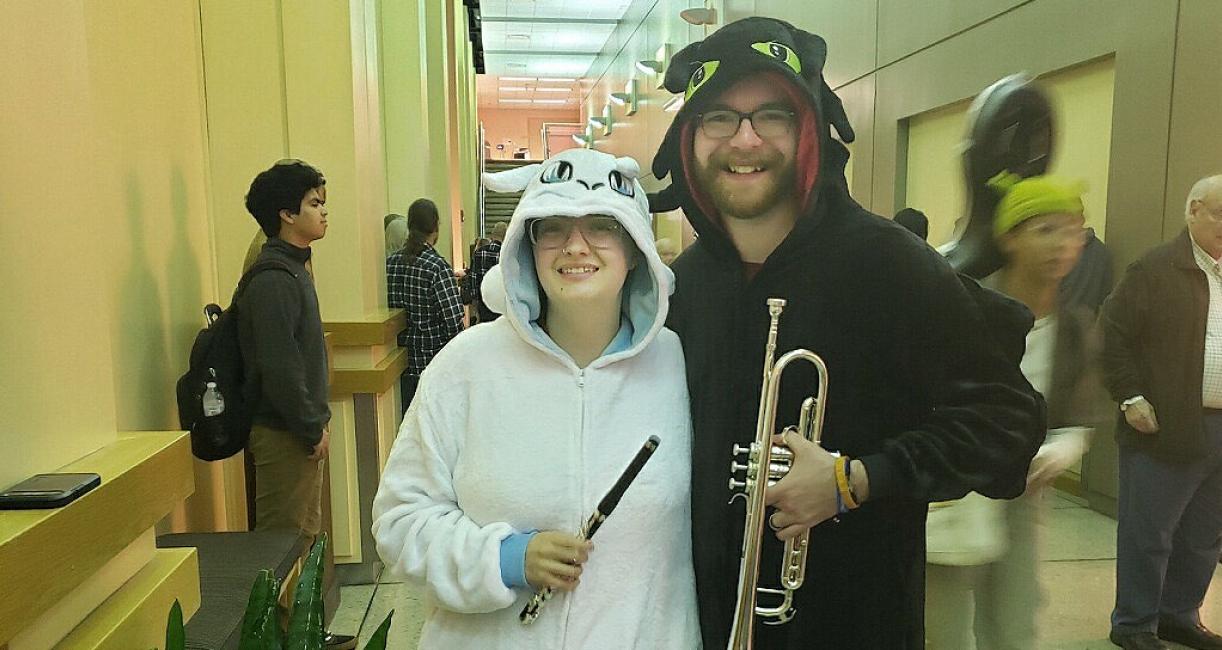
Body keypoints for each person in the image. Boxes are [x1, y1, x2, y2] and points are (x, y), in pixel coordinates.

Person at [649, 17, 1045, 647]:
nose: (744, 140)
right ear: (690, 141)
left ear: (809, 129)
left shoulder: (892, 264)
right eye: (718, 117)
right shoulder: (680, 287)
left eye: (771, 115)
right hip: (703, 622)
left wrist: (853, 480)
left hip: (858, 624)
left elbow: (1007, 423)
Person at [371, 149, 699, 648]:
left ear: (635, 247)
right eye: (553, 227)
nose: (575, 246)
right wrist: (505, 559)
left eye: (602, 226)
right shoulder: (467, 364)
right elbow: (400, 521)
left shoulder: (678, 364)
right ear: (529, 244)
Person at [924, 174, 1108, 649]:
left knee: (1014, 622)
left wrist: (1069, 442)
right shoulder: (966, 307)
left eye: (1072, 231)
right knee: (940, 628)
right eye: (1044, 229)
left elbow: (1077, 407)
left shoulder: (1073, 325)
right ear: (1009, 236)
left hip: (1023, 497)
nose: (1061, 245)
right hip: (955, 493)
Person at [1102, 174, 1222, 650]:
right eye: (1221, 214)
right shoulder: (1154, 269)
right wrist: (1130, 396)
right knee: (1149, 533)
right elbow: (1112, 335)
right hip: (1164, 426)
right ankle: (1133, 623)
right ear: (1193, 210)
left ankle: (1178, 615)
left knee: (1204, 536)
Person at [240, 159, 354, 649]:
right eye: (314, 204)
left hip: (301, 430)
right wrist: (311, 427)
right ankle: (279, 638)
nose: (324, 212)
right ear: (286, 214)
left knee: (304, 537)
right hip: (284, 433)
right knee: (282, 543)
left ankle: (303, 633)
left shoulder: (294, 268)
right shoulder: (273, 278)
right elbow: (279, 368)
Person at [386, 198, 464, 413]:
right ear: (436, 227)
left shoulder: (390, 264)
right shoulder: (437, 267)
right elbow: (453, 319)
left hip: (397, 363)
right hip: (431, 365)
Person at [469, 221, 507, 324]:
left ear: (492, 236)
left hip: (483, 305)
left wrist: (474, 306)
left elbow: (473, 279)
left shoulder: (479, 252)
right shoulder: (506, 256)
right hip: (501, 306)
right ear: (505, 237)